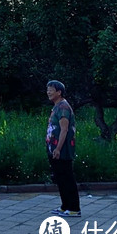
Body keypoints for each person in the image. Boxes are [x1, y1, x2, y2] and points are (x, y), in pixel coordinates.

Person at [45, 80, 80, 217]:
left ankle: (74, 208)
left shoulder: (63, 107)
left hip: (63, 150)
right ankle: (65, 205)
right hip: (53, 148)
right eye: (47, 89)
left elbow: (64, 130)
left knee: (67, 178)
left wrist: (58, 148)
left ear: (59, 92)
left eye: (51, 90)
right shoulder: (56, 106)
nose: (48, 92)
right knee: (60, 178)